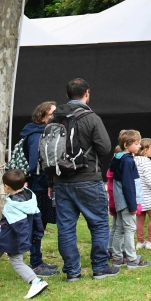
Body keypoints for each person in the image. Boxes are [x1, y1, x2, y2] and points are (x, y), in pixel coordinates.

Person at [49, 78, 119, 282]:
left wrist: (50, 182)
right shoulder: (91, 117)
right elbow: (105, 148)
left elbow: (48, 153)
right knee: (99, 224)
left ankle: (72, 272)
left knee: (66, 228)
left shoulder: (54, 119)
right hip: (88, 178)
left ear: (67, 95)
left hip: (61, 180)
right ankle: (100, 268)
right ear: (87, 93)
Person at [0, 169, 49, 298]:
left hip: (10, 240)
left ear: (6, 187)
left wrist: (23, 244)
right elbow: (37, 217)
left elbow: (21, 227)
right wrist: (37, 234)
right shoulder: (30, 197)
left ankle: (36, 282)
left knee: (17, 262)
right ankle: (36, 282)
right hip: (11, 239)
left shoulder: (13, 206)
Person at [19, 101, 57, 277]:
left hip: (40, 185)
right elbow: (35, 164)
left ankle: (37, 260)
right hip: (39, 186)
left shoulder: (38, 132)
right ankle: (35, 263)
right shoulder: (36, 135)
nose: (55, 117)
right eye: (52, 114)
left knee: (40, 224)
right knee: (37, 225)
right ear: (42, 116)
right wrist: (48, 181)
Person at [108, 129, 149, 269]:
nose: (139, 146)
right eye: (136, 144)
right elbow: (128, 184)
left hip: (120, 200)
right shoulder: (127, 161)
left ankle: (117, 257)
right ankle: (131, 258)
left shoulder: (118, 158)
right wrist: (133, 205)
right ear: (126, 145)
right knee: (130, 229)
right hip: (127, 201)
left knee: (119, 228)